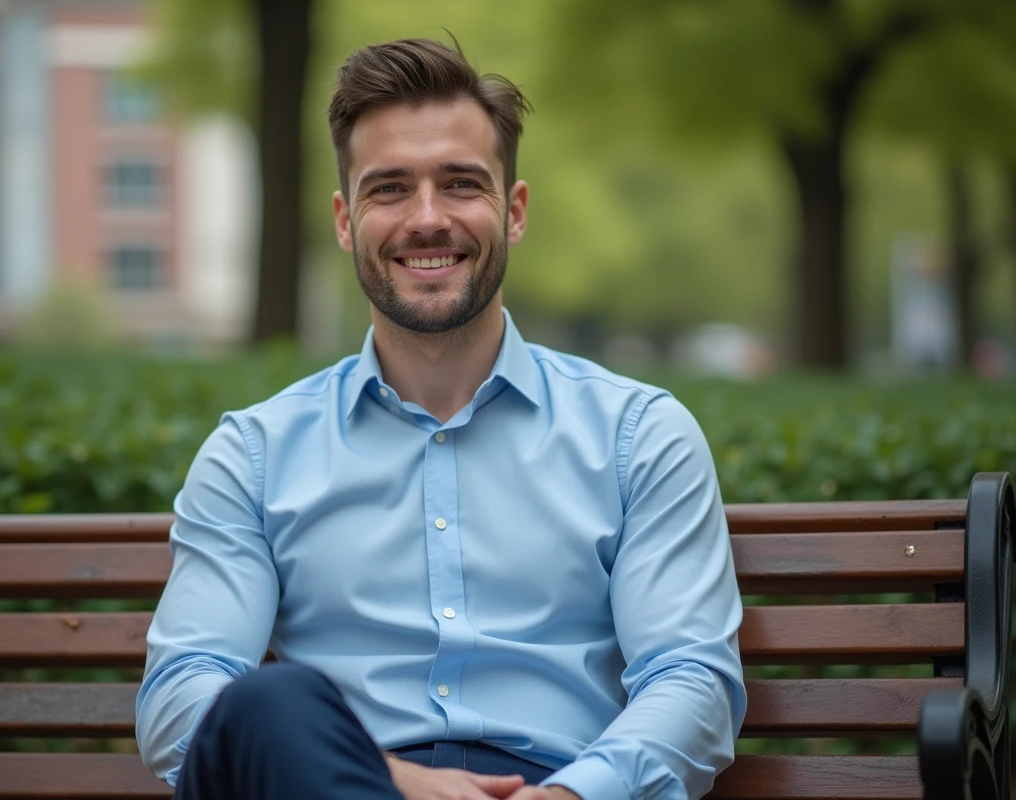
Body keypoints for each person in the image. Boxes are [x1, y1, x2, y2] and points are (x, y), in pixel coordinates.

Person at [135, 37, 746, 800]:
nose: (427, 219)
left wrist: (568, 797)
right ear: (345, 220)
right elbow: (183, 694)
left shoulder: (639, 437)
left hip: (565, 790)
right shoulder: (253, 456)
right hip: (339, 786)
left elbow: (690, 679)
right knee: (266, 705)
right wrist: (391, 781)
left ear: (513, 212)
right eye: (390, 189)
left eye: (461, 184)